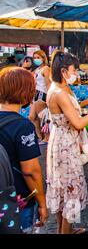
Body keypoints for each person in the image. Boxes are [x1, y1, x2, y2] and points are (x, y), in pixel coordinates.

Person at [46, 51, 88, 234]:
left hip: (64, 142)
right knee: (69, 191)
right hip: (65, 147)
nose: (76, 72)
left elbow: (70, 112)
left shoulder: (60, 87)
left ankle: (64, 230)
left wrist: (85, 104)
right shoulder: (59, 92)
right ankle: (64, 232)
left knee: (63, 189)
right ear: (63, 70)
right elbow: (77, 123)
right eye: (73, 69)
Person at [0, 67, 48, 233]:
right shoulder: (22, 126)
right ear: (26, 91)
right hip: (17, 201)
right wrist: (42, 203)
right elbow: (31, 171)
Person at [29, 50, 51, 141]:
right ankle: (40, 137)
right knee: (32, 117)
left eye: (38, 57)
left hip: (43, 95)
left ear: (43, 58)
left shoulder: (46, 68)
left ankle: (45, 139)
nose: (36, 59)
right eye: (34, 58)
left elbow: (48, 83)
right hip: (36, 95)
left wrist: (51, 98)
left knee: (43, 118)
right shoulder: (36, 70)